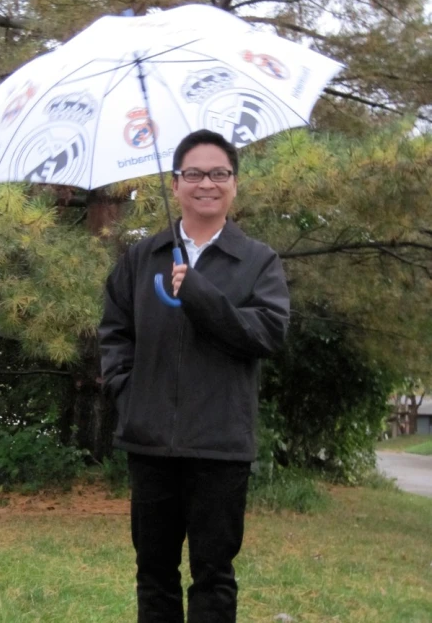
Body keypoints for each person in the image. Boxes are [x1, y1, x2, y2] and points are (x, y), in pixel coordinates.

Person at [98, 129, 290, 623]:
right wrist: (129, 394)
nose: (208, 183)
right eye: (195, 174)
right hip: (151, 443)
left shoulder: (257, 261)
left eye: (220, 173)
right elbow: (115, 333)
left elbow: (266, 334)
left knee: (213, 574)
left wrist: (201, 294)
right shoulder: (143, 257)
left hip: (220, 445)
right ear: (176, 182)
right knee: (154, 571)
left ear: (235, 184)